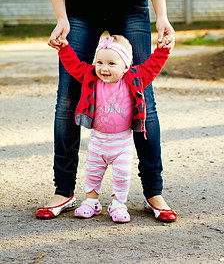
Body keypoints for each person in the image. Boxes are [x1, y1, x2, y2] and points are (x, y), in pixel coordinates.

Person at [36, 0, 177, 222]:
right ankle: (64, 191)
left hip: (130, 8)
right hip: (78, 11)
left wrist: (162, 16)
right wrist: (61, 18)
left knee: (144, 97)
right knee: (67, 99)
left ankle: (153, 191)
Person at [52, 33, 174, 223]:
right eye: (99, 62)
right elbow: (74, 65)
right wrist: (64, 49)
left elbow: (153, 66)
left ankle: (118, 204)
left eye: (111, 63)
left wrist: (163, 50)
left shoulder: (135, 78)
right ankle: (91, 202)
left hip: (122, 143)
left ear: (126, 66)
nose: (103, 68)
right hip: (98, 141)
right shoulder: (91, 78)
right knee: (92, 172)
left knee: (122, 176)